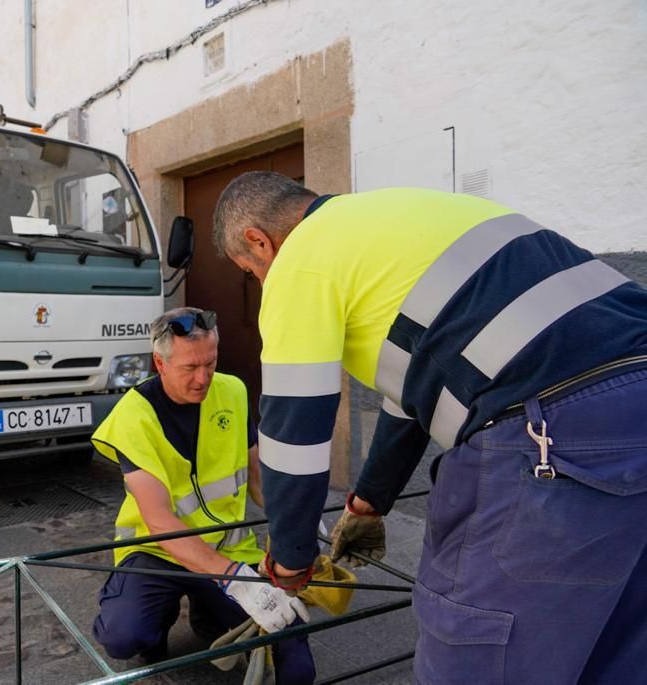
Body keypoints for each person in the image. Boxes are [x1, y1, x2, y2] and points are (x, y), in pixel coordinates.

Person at [212, 171, 647, 684]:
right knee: (611, 647)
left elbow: (293, 433)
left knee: (474, 653)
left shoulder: (302, 259)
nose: (262, 283)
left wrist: (289, 559)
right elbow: (416, 397)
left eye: (252, 270)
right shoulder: (406, 214)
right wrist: (369, 500)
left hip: (546, 431)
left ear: (258, 240)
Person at [91, 307, 315, 682]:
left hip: (227, 548)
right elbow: (159, 520)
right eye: (190, 368)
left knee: (290, 639)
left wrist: (297, 524)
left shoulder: (233, 391)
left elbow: (258, 478)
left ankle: (208, 610)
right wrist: (235, 580)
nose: (203, 378)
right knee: (125, 635)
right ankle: (156, 624)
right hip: (156, 552)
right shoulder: (133, 416)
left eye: (210, 363)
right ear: (160, 364)